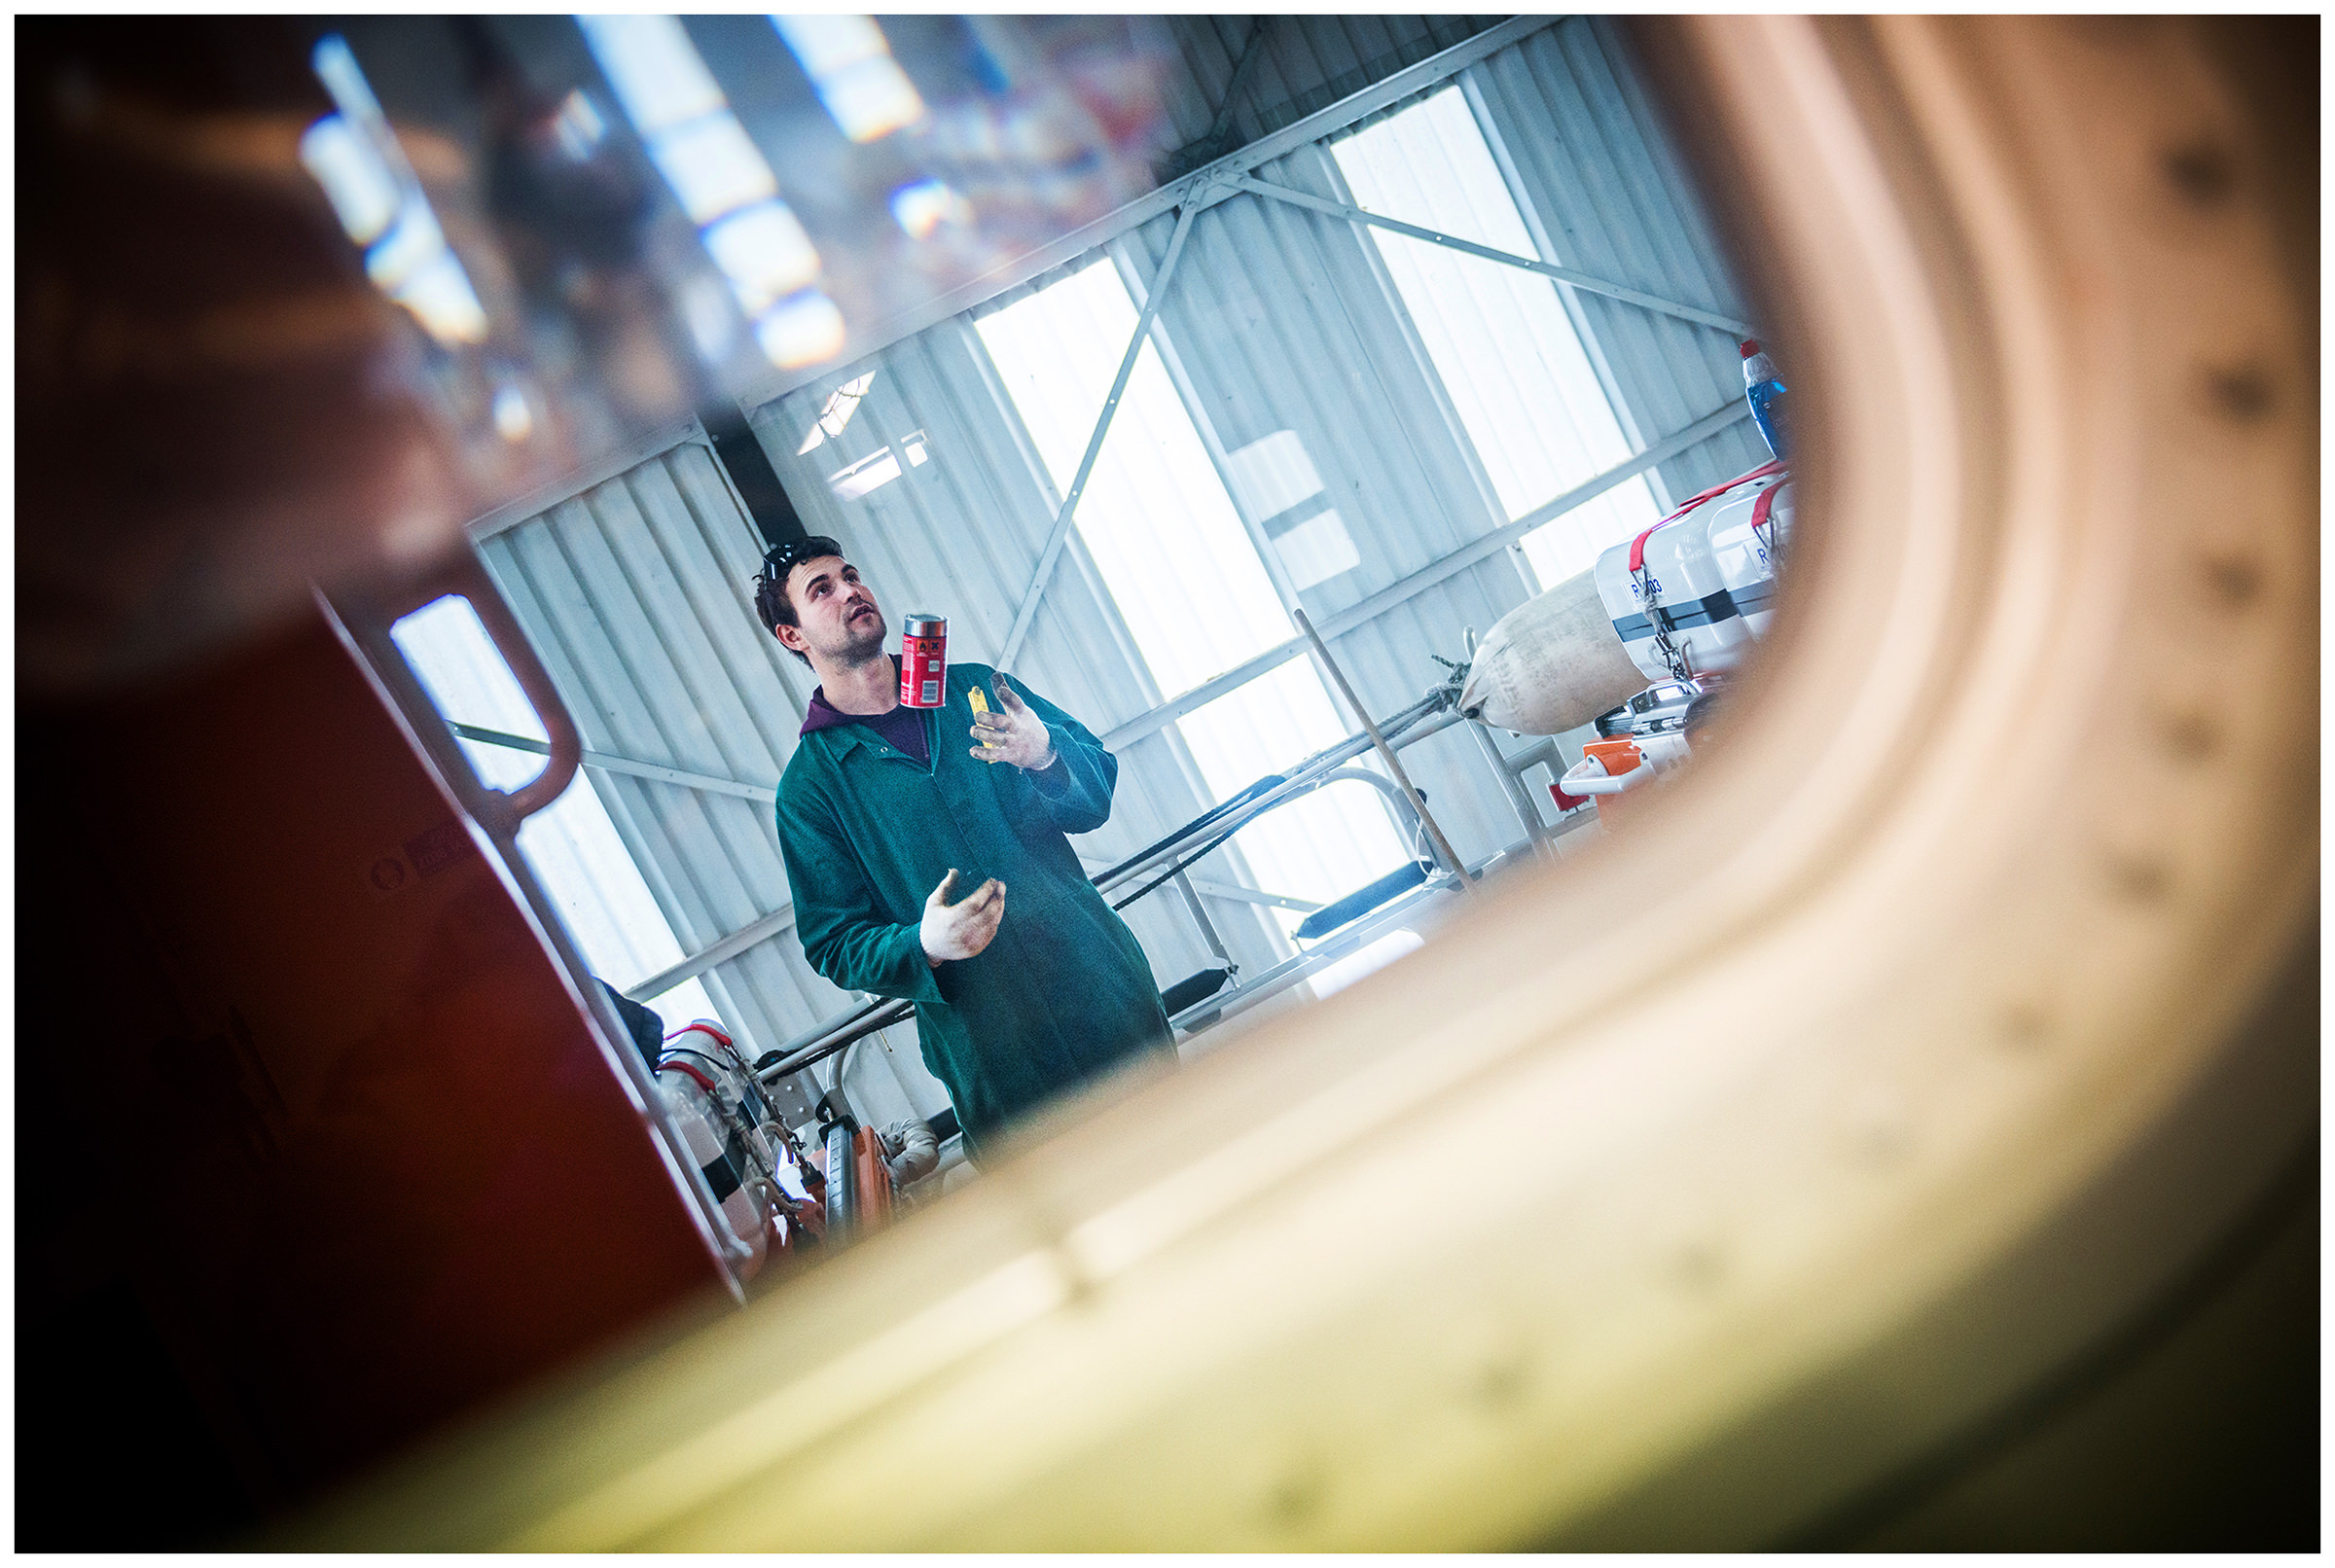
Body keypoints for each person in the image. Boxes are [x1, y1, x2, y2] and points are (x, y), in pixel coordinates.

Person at [755, 535, 1174, 1156]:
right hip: (996, 1051)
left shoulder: (977, 692)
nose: (850, 591)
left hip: (1101, 988)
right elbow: (833, 940)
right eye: (823, 590)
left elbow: (1095, 793)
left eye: (851, 575)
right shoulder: (812, 790)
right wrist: (922, 945)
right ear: (793, 636)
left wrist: (1047, 754)